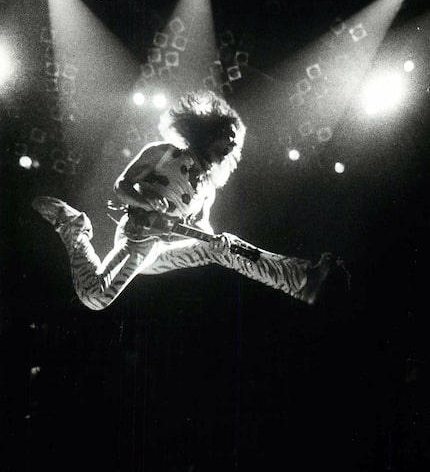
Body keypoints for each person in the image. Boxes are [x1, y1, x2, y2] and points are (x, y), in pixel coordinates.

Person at [32, 90, 345, 311]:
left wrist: (213, 242)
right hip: (137, 240)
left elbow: (199, 229)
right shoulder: (164, 152)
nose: (233, 142)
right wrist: (147, 204)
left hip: (164, 248)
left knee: (225, 245)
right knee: (95, 297)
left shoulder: (208, 188)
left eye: (235, 140)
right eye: (228, 134)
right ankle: (75, 227)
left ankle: (302, 278)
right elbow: (121, 186)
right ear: (208, 132)